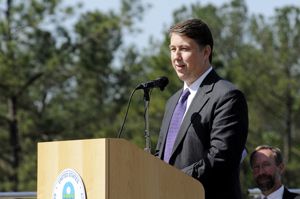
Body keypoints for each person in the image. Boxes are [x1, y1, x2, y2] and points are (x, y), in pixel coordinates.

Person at [155, 18, 248, 199]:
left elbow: (221, 159)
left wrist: (173, 180)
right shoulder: (173, 101)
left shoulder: (227, 96)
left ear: (206, 52)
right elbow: (163, 156)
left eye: (184, 49)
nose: (176, 56)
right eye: (173, 49)